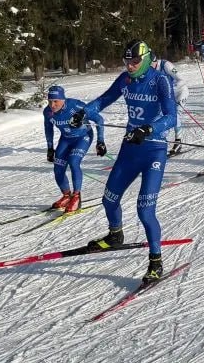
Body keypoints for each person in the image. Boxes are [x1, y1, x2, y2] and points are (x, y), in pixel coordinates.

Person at [77, 40, 177, 283]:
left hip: (154, 149)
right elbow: (102, 101)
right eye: (127, 62)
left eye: (135, 62)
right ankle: (115, 235)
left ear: (145, 59)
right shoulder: (125, 79)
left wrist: (150, 129)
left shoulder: (159, 80)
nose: (130, 66)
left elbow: (172, 116)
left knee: (145, 209)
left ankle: (156, 260)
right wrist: (80, 112)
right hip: (130, 147)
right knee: (109, 199)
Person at [43, 85, 106, 213]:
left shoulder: (76, 106)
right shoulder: (48, 112)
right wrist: (50, 148)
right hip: (66, 139)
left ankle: (76, 197)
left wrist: (100, 141)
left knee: (73, 161)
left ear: (63, 99)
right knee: (58, 167)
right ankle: (67, 196)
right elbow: (48, 128)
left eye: (56, 101)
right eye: (50, 101)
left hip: (83, 137)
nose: (52, 105)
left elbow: (99, 119)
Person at [151, 55, 190, 154]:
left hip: (180, 92)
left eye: (150, 64)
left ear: (155, 61)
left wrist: (169, 91)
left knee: (174, 115)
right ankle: (158, 143)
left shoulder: (166, 65)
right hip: (167, 95)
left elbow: (182, 80)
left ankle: (178, 141)